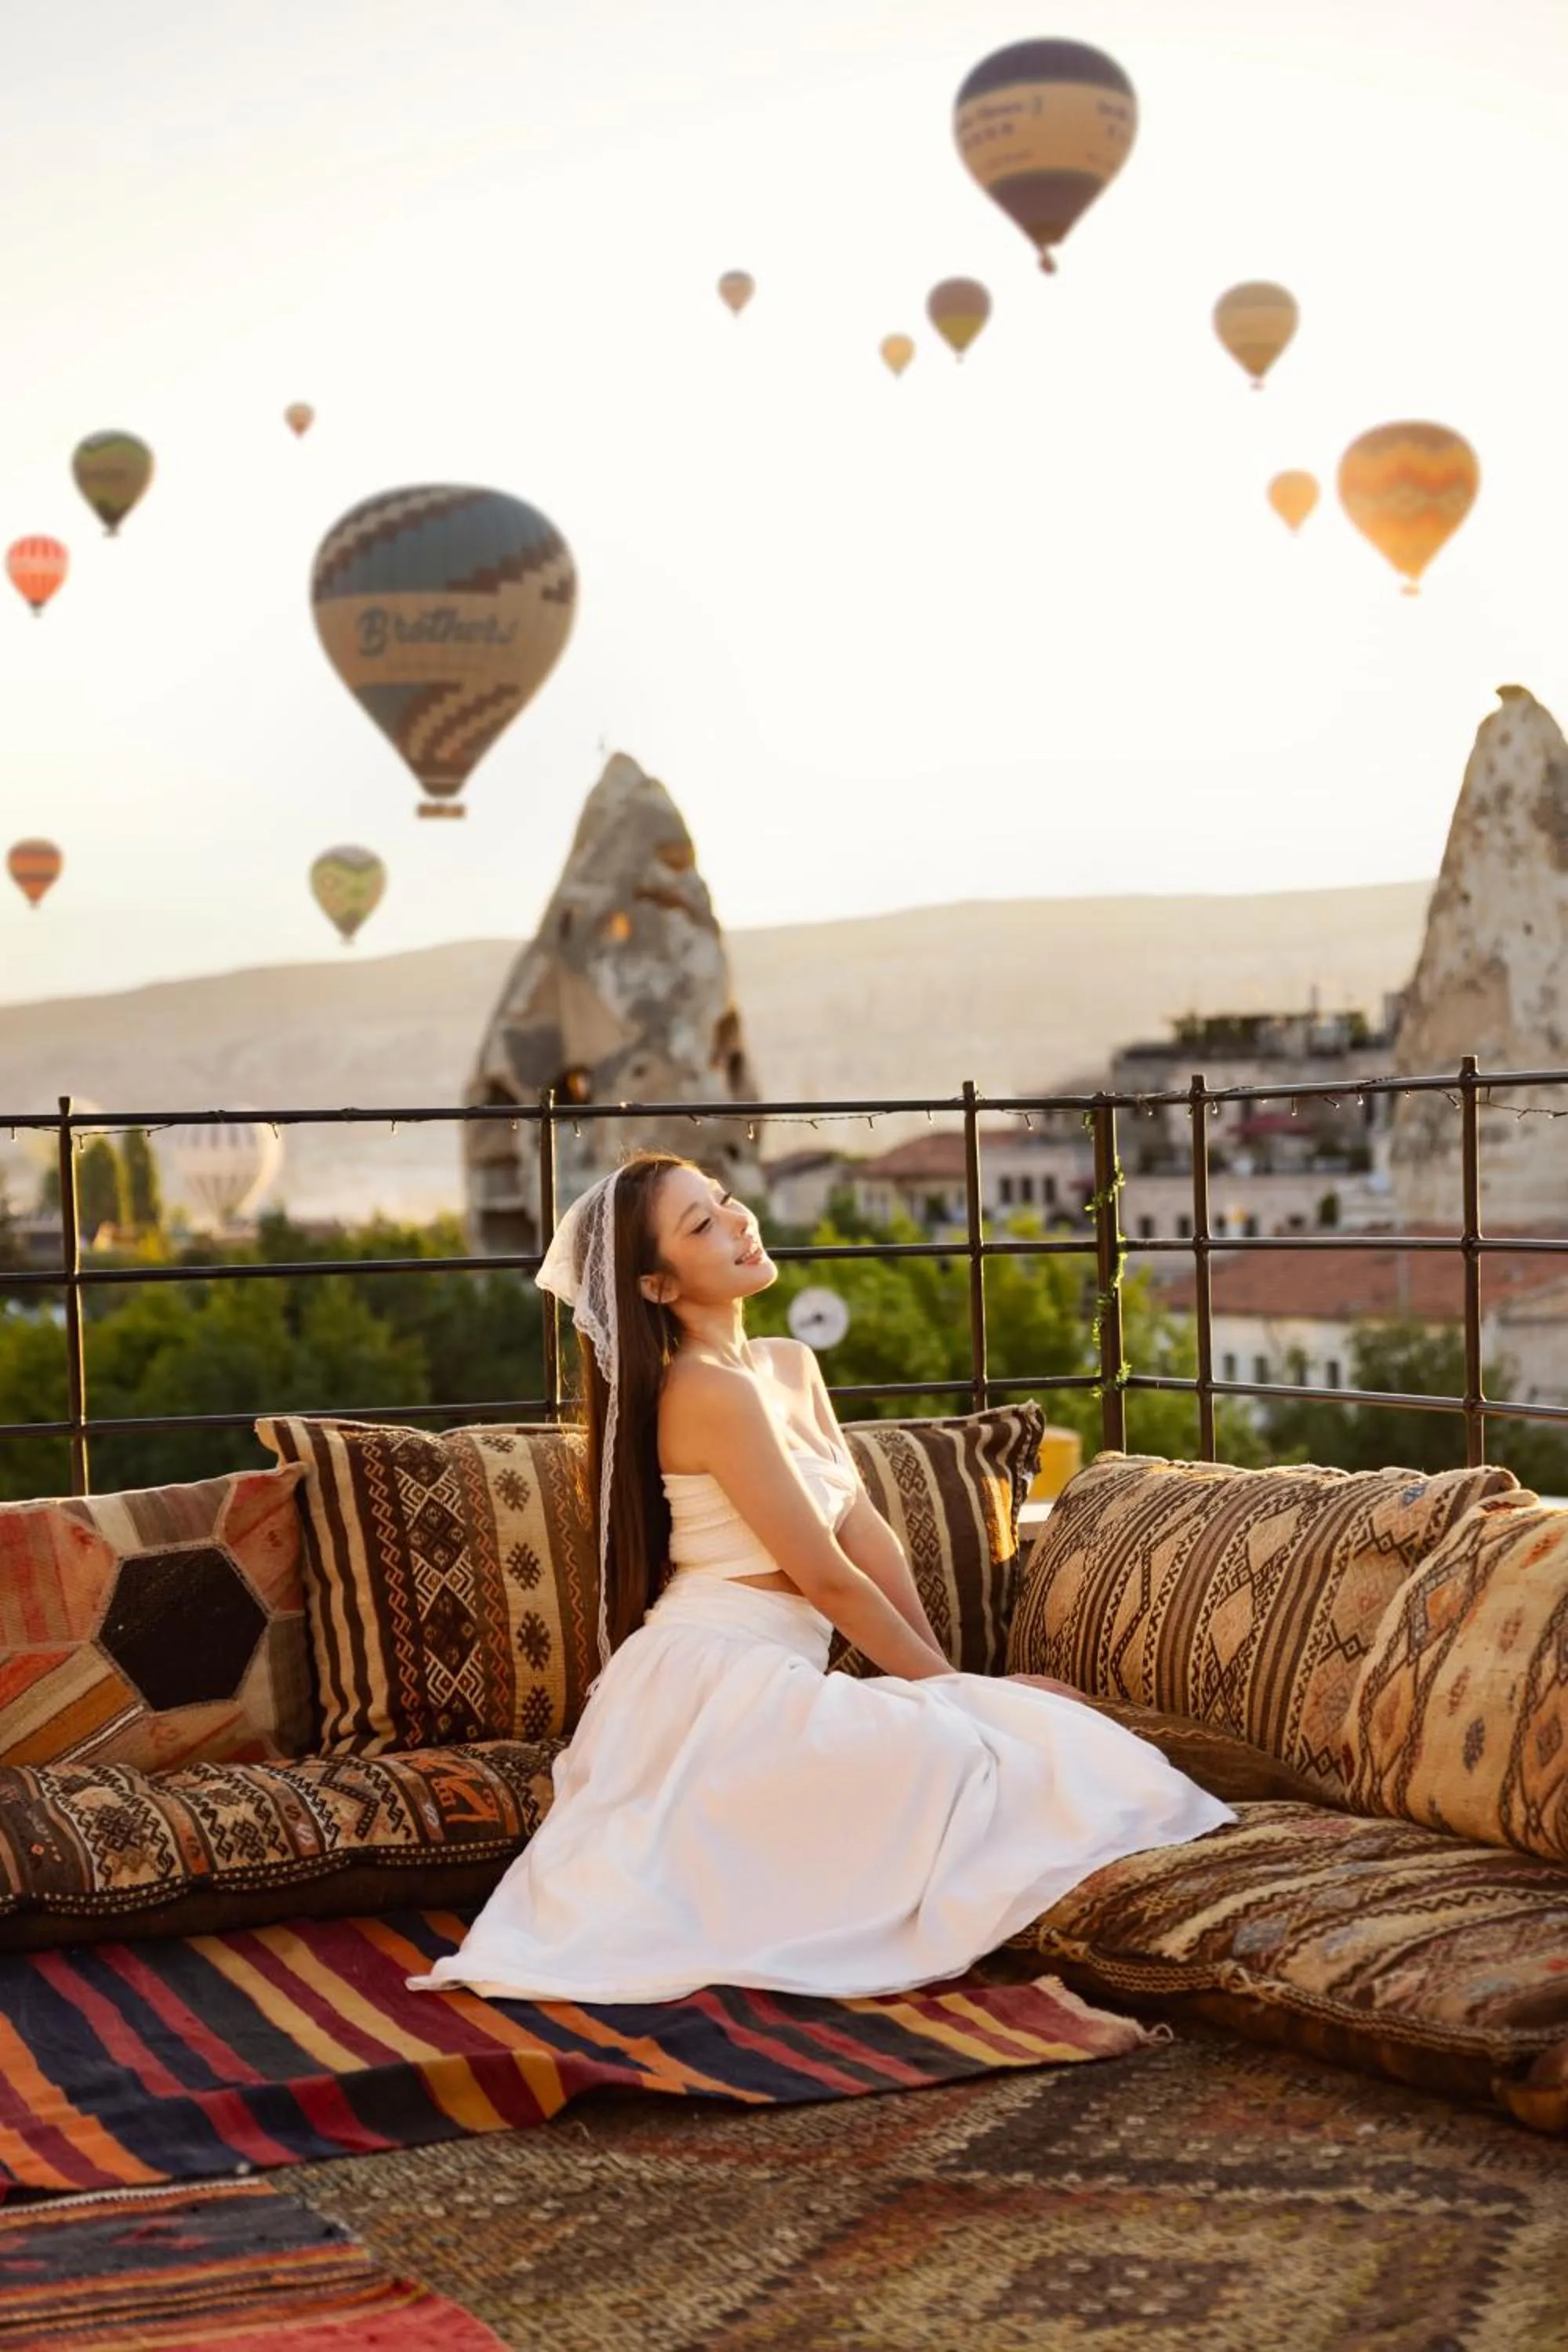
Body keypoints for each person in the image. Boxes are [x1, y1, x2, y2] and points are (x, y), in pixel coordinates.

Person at [408, 1152, 1234, 2005]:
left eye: (724, 1201)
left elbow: (864, 1532)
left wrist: (962, 1686)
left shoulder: (788, 1365)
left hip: (773, 1675)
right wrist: (953, 1693)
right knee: (969, 1755)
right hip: (713, 1683)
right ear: (655, 1287)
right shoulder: (701, 1392)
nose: (736, 1222)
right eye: (701, 1226)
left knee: (1025, 1740)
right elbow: (826, 1581)